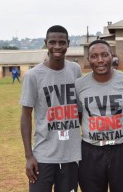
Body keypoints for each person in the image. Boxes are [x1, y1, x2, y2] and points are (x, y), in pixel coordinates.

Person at [20, 25, 82, 192]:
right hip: (43, 156)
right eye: (52, 42)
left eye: (62, 42)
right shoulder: (33, 76)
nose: (57, 46)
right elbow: (26, 116)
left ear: (68, 44)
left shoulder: (75, 70)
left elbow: (81, 109)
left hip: (71, 155)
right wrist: (28, 156)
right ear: (45, 43)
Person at [75, 39, 123, 192]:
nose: (100, 60)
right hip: (91, 151)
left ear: (112, 56)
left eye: (104, 55)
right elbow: (80, 114)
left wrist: (115, 127)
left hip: (122, 149)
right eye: (94, 56)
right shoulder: (79, 85)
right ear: (88, 59)